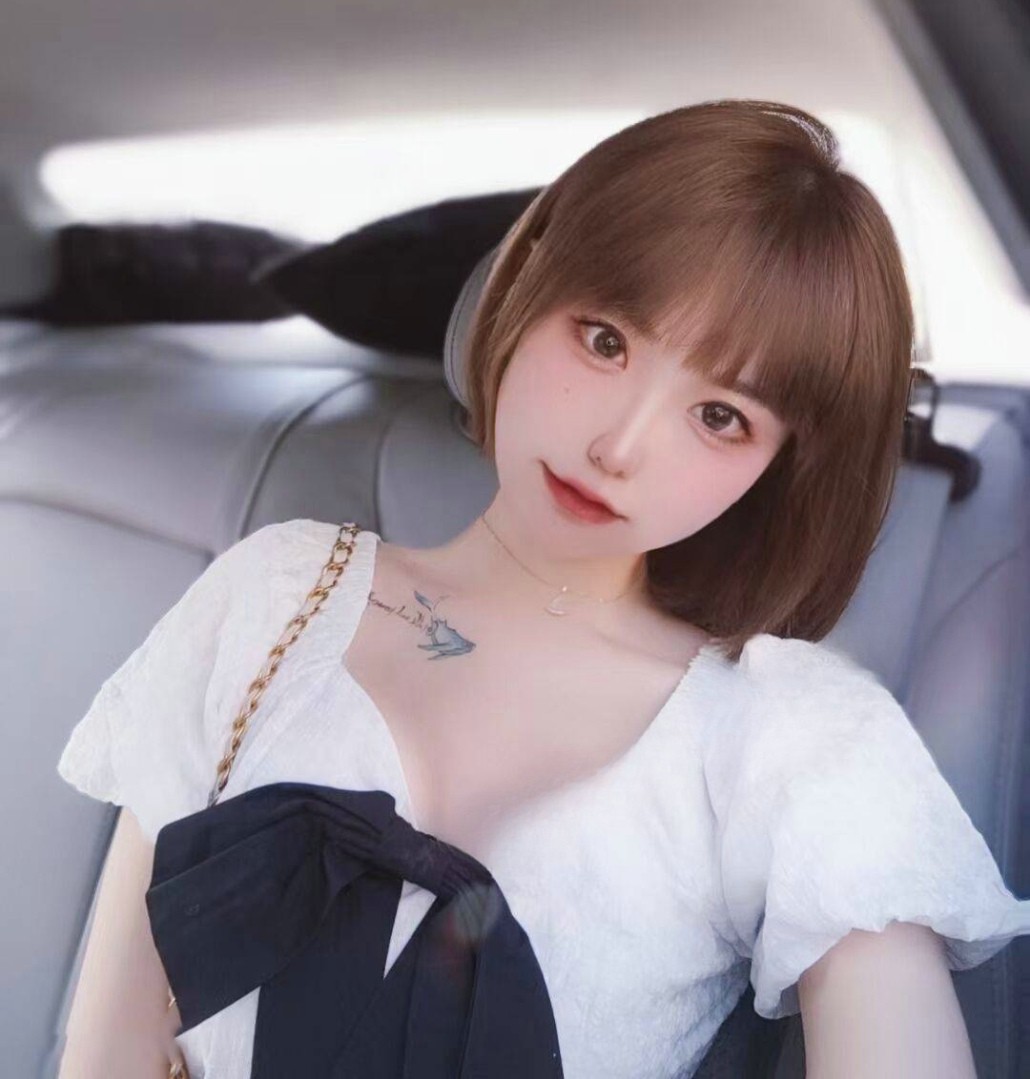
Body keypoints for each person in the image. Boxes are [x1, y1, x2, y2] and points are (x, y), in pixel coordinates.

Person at [56, 100, 1030, 1079]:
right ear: (523, 289)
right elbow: (104, 1054)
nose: (620, 445)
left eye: (718, 416)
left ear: (778, 468)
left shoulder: (798, 737)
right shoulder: (274, 594)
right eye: (605, 341)